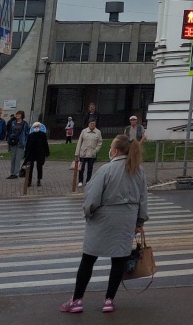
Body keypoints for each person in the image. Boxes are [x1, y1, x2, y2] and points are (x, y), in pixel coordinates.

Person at [59, 134, 148, 314]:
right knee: (119, 261)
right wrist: (139, 221)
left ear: (114, 151)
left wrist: (88, 212)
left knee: (88, 259)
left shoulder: (106, 169)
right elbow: (143, 199)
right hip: (126, 220)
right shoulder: (138, 171)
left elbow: (92, 197)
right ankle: (109, 300)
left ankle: (77, 300)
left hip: (103, 219)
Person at [75, 119, 103, 187]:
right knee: (81, 168)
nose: (92, 125)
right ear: (88, 124)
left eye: (93, 124)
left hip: (92, 153)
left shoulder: (98, 132)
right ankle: (80, 181)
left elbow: (100, 142)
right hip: (83, 152)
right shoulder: (84, 131)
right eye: (91, 123)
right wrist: (77, 152)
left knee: (90, 168)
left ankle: (88, 181)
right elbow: (79, 142)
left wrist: (96, 150)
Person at [25, 120, 51, 188]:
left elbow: (45, 144)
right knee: (30, 167)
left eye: (38, 127)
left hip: (40, 153)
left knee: (39, 167)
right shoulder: (31, 135)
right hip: (32, 153)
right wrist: (26, 154)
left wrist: (47, 153)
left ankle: (39, 180)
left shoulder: (43, 135)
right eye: (35, 127)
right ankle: (29, 181)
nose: (36, 128)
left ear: (39, 127)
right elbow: (28, 145)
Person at [7, 110, 30, 179]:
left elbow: (27, 133)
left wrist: (25, 142)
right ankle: (12, 172)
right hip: (13, 141)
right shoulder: (13, 123)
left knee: (18, 158)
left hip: (21, 142)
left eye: (19, 114)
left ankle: (16, 173)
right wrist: (9, 139)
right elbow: (10, 131)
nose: (17, 116)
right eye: (17, 114)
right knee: (13, 157)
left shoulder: (25, 124)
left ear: (22, 116)